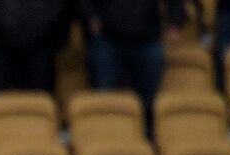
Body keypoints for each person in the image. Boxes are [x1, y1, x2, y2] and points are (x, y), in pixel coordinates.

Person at [80, 0, 186, 130]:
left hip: (147, 37)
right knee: (105, 100)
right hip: (106, 37)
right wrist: (89, 16)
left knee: (149, 104)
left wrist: (175, 23)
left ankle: (146, 142)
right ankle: (107, 140)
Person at [0, 0, 75, 94]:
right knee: (1, 103)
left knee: (38, 104)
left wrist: (39, 24)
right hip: (0, 44)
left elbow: (60, 5)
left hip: (41, 43)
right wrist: (2, 21)